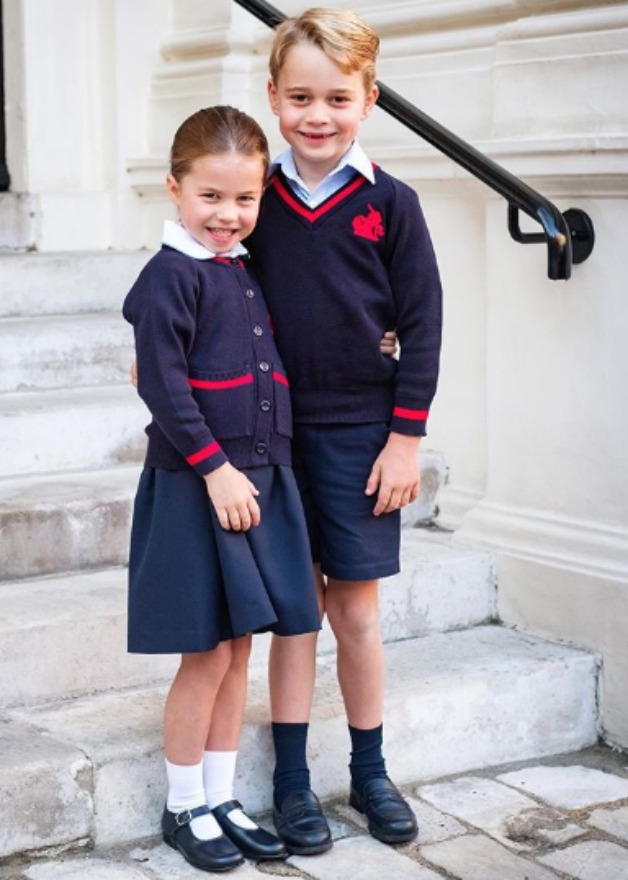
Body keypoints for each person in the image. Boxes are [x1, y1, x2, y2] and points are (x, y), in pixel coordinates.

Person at [244, 7, 443, 854]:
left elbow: (423, 323)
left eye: (336, 98)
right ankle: (292, 787)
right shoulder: (256, 198)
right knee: (295, 615)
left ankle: (369, 773)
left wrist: (406, 438)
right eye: (299, 97)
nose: (316, 116)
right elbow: (212, 284)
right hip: (275, 439)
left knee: (354, 612)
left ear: (369, 100)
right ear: (273, 97)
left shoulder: (391, 203)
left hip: (362, 437)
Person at [122, 105, 322, 873]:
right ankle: (182, 808)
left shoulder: (236, 265)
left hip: (254, 483)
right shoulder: (168, 278)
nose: (228, 215)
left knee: (240, 650)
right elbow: (166, 391)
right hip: (199, 486)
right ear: (174, 189)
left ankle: (220, 793)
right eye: (210, 197)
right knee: (204, 655)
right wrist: (216, 468)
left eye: (244, 200)